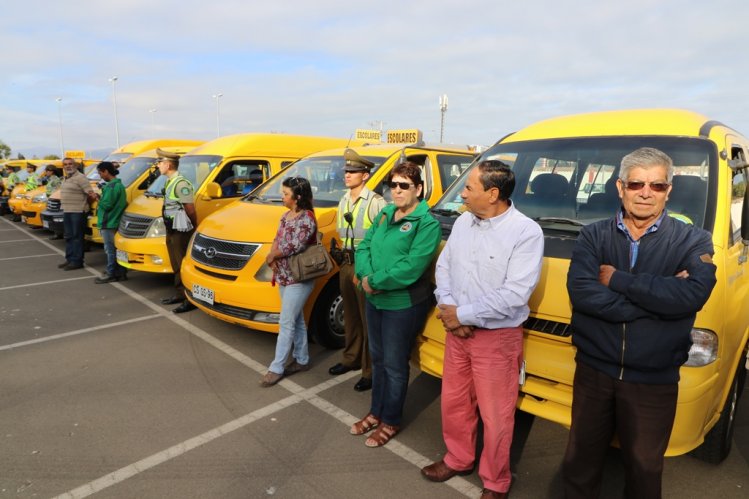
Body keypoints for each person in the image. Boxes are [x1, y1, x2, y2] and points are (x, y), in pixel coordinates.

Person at [563, 147, 717, 499]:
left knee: (644, 472)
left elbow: (692, 295)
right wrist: (659, 304)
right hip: (594, 372)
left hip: (653, 379)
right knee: (579, 467)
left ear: (669, 191)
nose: (646, 192)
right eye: (636, 184)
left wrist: (618, 280)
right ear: (620, 188)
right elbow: (583, 293)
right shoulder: (593, 235)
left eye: (657, 185)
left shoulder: (693, 239)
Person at [421, 161, 544, 498]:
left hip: (497, 338)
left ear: (493, 194)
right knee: (455, 402)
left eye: (469, 188)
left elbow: (515, 294)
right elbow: (444, 268)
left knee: (496, 414)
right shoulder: (463, 222)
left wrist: (463, 314)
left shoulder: (525, 232)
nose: (462, 193)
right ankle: (458, 458)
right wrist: (450, 311)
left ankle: (495, 480)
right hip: (456, 331)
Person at [350, 161, 441, 447]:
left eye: (405, 185)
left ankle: (390, 419)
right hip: (374, 298)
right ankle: (376, 412)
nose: (397, 190)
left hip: (401, 304)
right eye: (394, 185)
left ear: (419, 189)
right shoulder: (386, 213)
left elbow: (412, 267)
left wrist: (374, 282)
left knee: (395, 364)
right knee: (377, 359)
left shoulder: (427, 224)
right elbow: (364, 246)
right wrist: (365, 276)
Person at [328, 148, 387, 392]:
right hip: (345, 264)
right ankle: (351, 358)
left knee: (368, 321)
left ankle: (370, 370)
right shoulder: (343, 200)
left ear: (365, 175)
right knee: (352, 317)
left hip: (364, 267)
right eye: (346, 171)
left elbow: (382, 240)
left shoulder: (375, 202)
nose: (348, 175)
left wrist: (367, 272)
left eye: (353, 171)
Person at [260, 176, 318, 387]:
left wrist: (272, 255)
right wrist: (272, 256)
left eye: (285, 194)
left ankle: (277, 367)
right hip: (284, 275)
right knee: (297, 320)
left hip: (299, 278)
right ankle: (302, 359)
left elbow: (295, 245)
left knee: (286, 323)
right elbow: (278, 238)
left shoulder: (307, 218)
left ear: (297, 197)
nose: (282, 197)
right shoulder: (286, 216)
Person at [157, 149, 198, 314]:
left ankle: (189, 299)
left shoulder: (181, 183)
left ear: (168, 164)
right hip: (172, 228)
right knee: (175, 263)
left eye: (160, 163)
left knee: (182, 263)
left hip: (181, 230)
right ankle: (180, 293)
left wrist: (194, 227)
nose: (158, 166)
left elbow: (190, 209)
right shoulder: (169, 182)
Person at [59, 157, 96, 270]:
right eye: (65, 164)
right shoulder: (66, 178)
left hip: (78, 212)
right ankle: (70, 259)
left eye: (70, 164)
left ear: (75, 165)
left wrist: (85, 206)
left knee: (77, 237)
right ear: (63, 166)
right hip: (67, 210)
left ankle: (77, 261)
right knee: (69, 236)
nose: (68, 166)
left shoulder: (81, 178)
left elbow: (91, 194)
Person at [94, 161, 128, 284]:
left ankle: (111, 273)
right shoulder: (118, 185)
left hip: (109, 222)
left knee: (110, 250)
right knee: (117, 249)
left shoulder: (112, 187)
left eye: (100, 173)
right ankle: (121, 272)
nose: (100, 176)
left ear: (106, 171)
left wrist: (97, 197)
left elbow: (107, 205)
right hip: (116, 221)